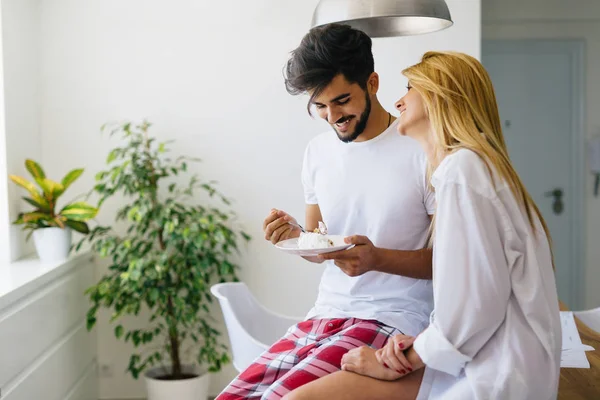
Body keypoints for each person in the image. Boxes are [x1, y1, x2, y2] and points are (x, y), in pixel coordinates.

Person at [282, 51, 562, 400]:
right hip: (488, 358)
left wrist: (400, 359)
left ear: (440, 97)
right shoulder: (472, 169)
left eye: (411, 88)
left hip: (496, 374)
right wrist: (417, 347)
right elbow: (475, 300)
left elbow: (474, 310)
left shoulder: (463, 172)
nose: (399, 100)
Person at [216, 23, 435, 400]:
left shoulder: (422, 150)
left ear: (372, 83)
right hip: (324, 314)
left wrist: (377, 259)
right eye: (319, 105)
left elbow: (448, 263)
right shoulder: (317, 153)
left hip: (392, 319)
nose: (332, 115)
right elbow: (319, 247)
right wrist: (295, 235)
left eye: (341, 101)